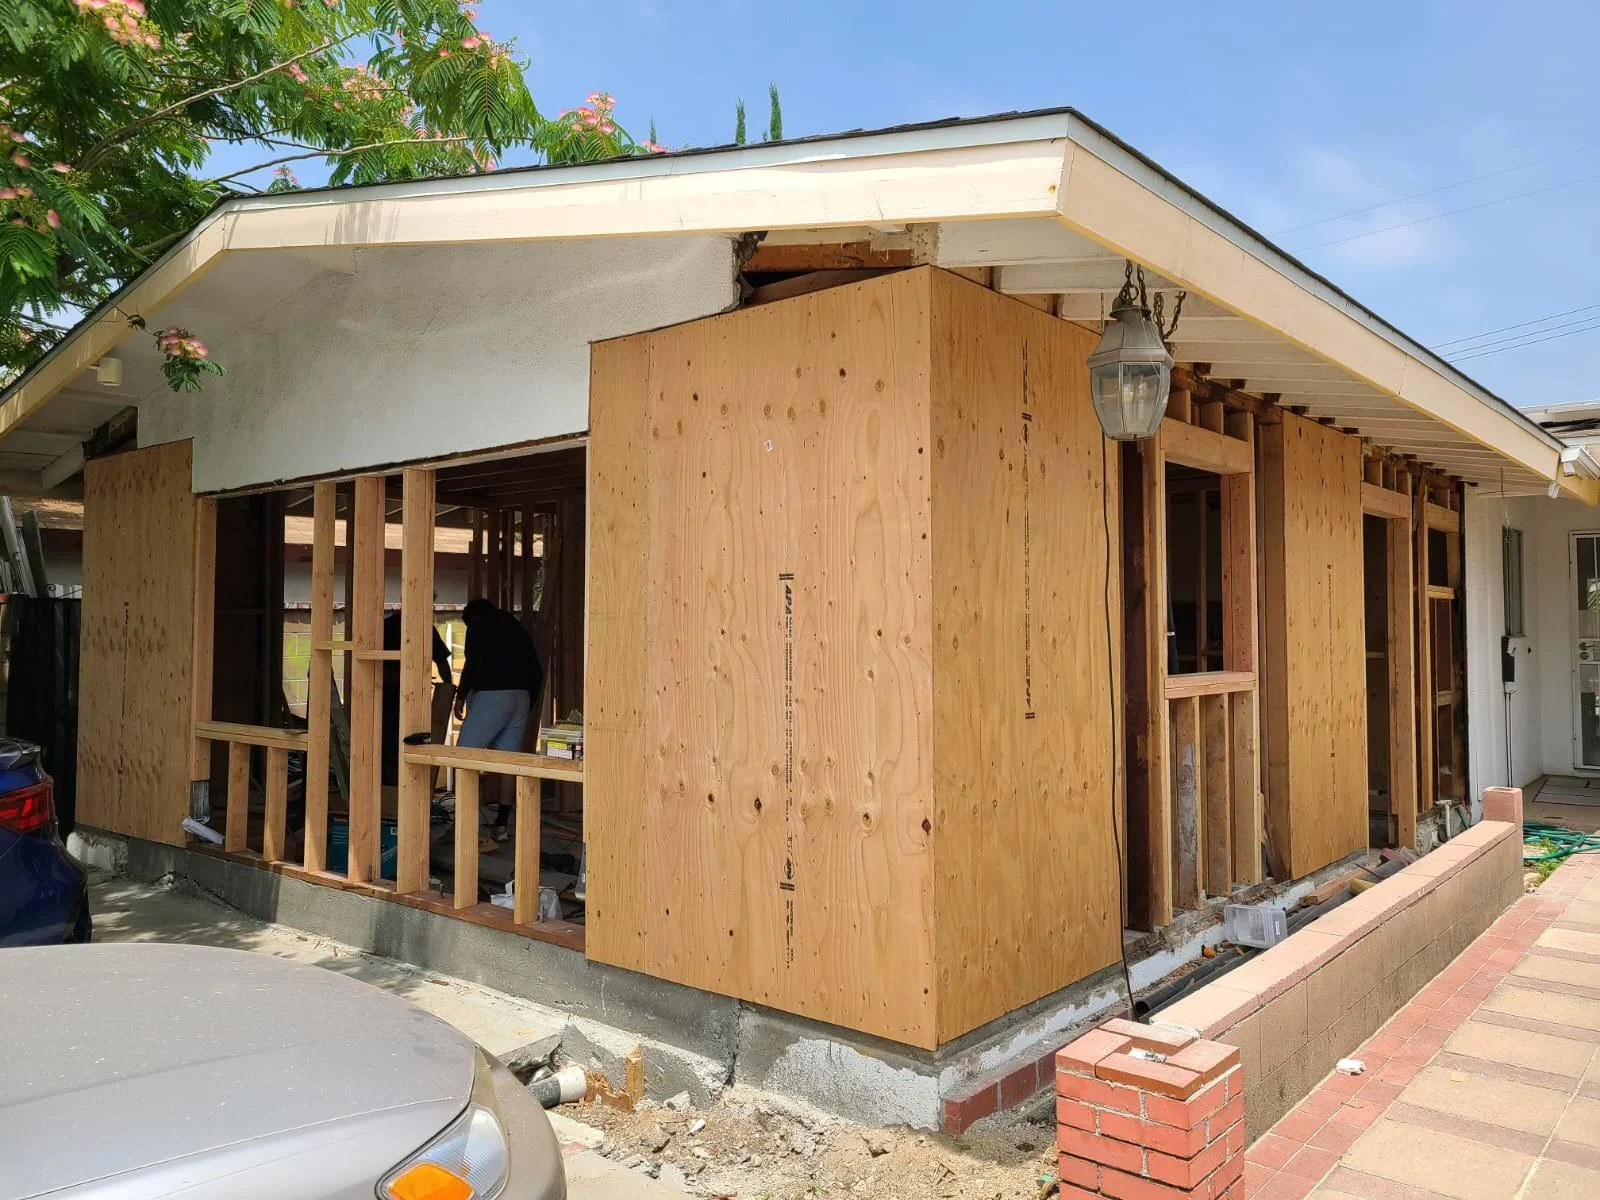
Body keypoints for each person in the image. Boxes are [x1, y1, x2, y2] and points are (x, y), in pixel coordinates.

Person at [455, 599, 544, 838]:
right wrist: (527, 701)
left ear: (471, 617)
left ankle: (464, 825)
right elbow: (537, 669)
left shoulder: (478, 625)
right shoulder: (516, 628)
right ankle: (502, 825)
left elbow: (473, 664)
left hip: (493, 695)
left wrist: (461, 696)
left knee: (464, 755)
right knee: (507, 762)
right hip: (521, 697)